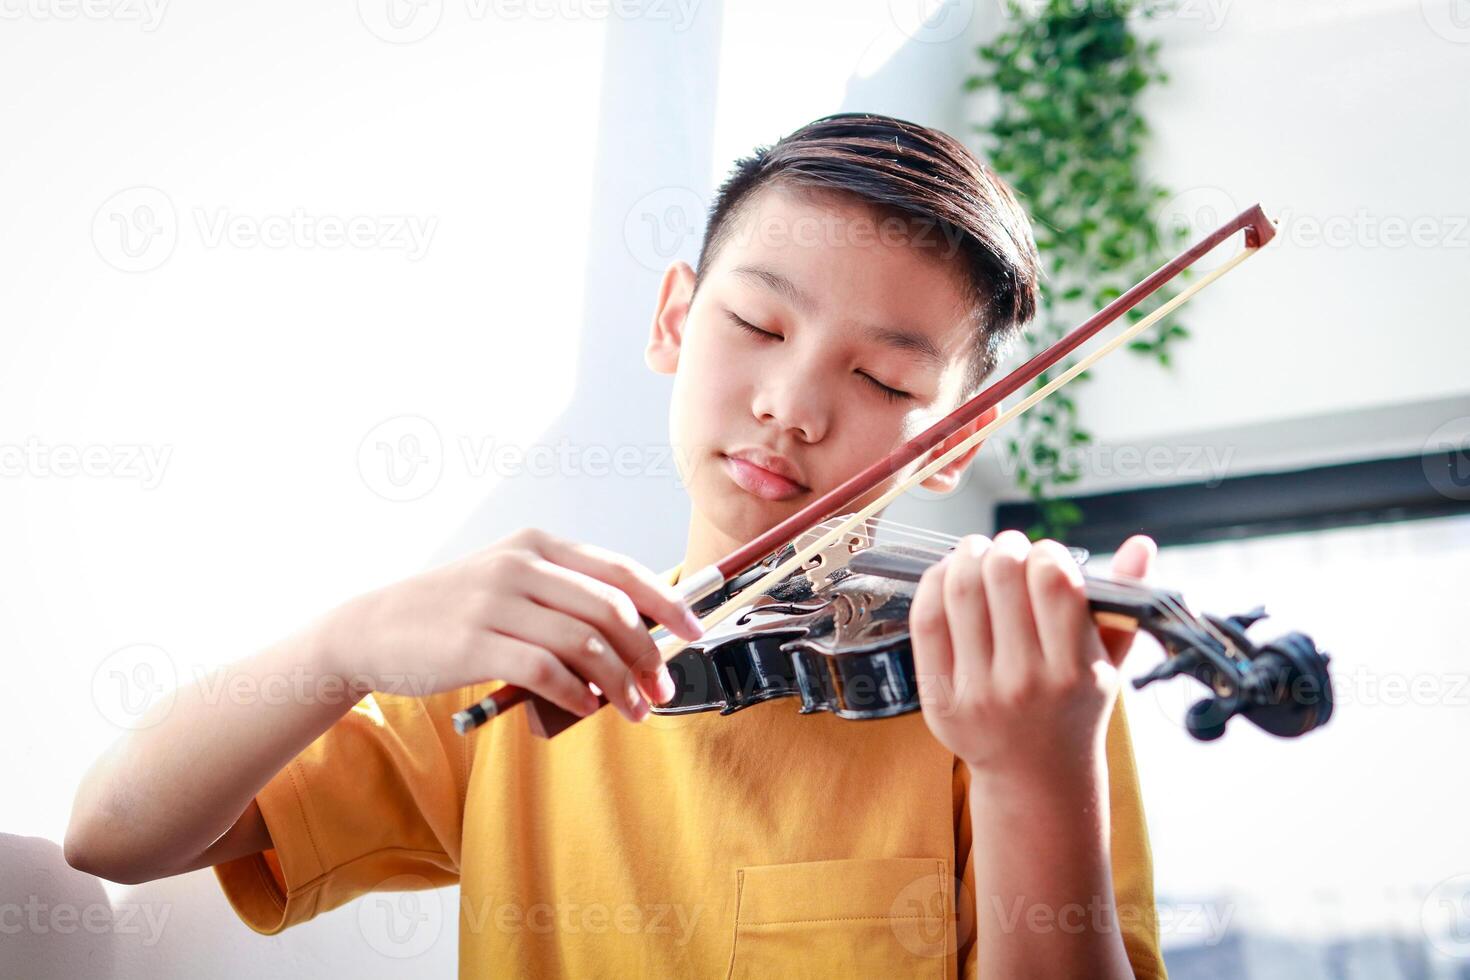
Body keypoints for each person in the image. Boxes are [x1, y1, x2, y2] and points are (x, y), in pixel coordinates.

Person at [66, 112, 1167, 978]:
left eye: (883, 380)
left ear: (956, 436)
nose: (791, 406)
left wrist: (1035, 775)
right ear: (675, 321)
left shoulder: (1014, 694)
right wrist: (354, 639)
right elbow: (116, 830)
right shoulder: (539, 668)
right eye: (759, 326)